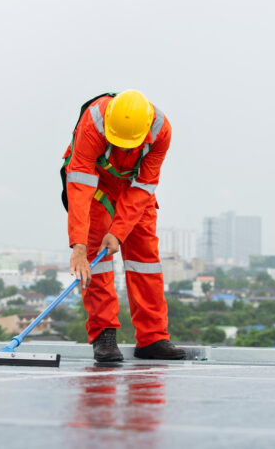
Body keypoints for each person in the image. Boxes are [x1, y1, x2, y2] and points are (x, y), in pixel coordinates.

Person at [61, 89, 186, 362]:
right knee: (98, 257)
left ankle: (153, 338)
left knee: (145, 260)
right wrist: (78, 246)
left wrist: (118, 232)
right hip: (97, 188)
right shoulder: (93, 123)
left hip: (135, 188)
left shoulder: (160, 130)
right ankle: (104, 335)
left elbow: (144, 184)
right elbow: (80, 184)